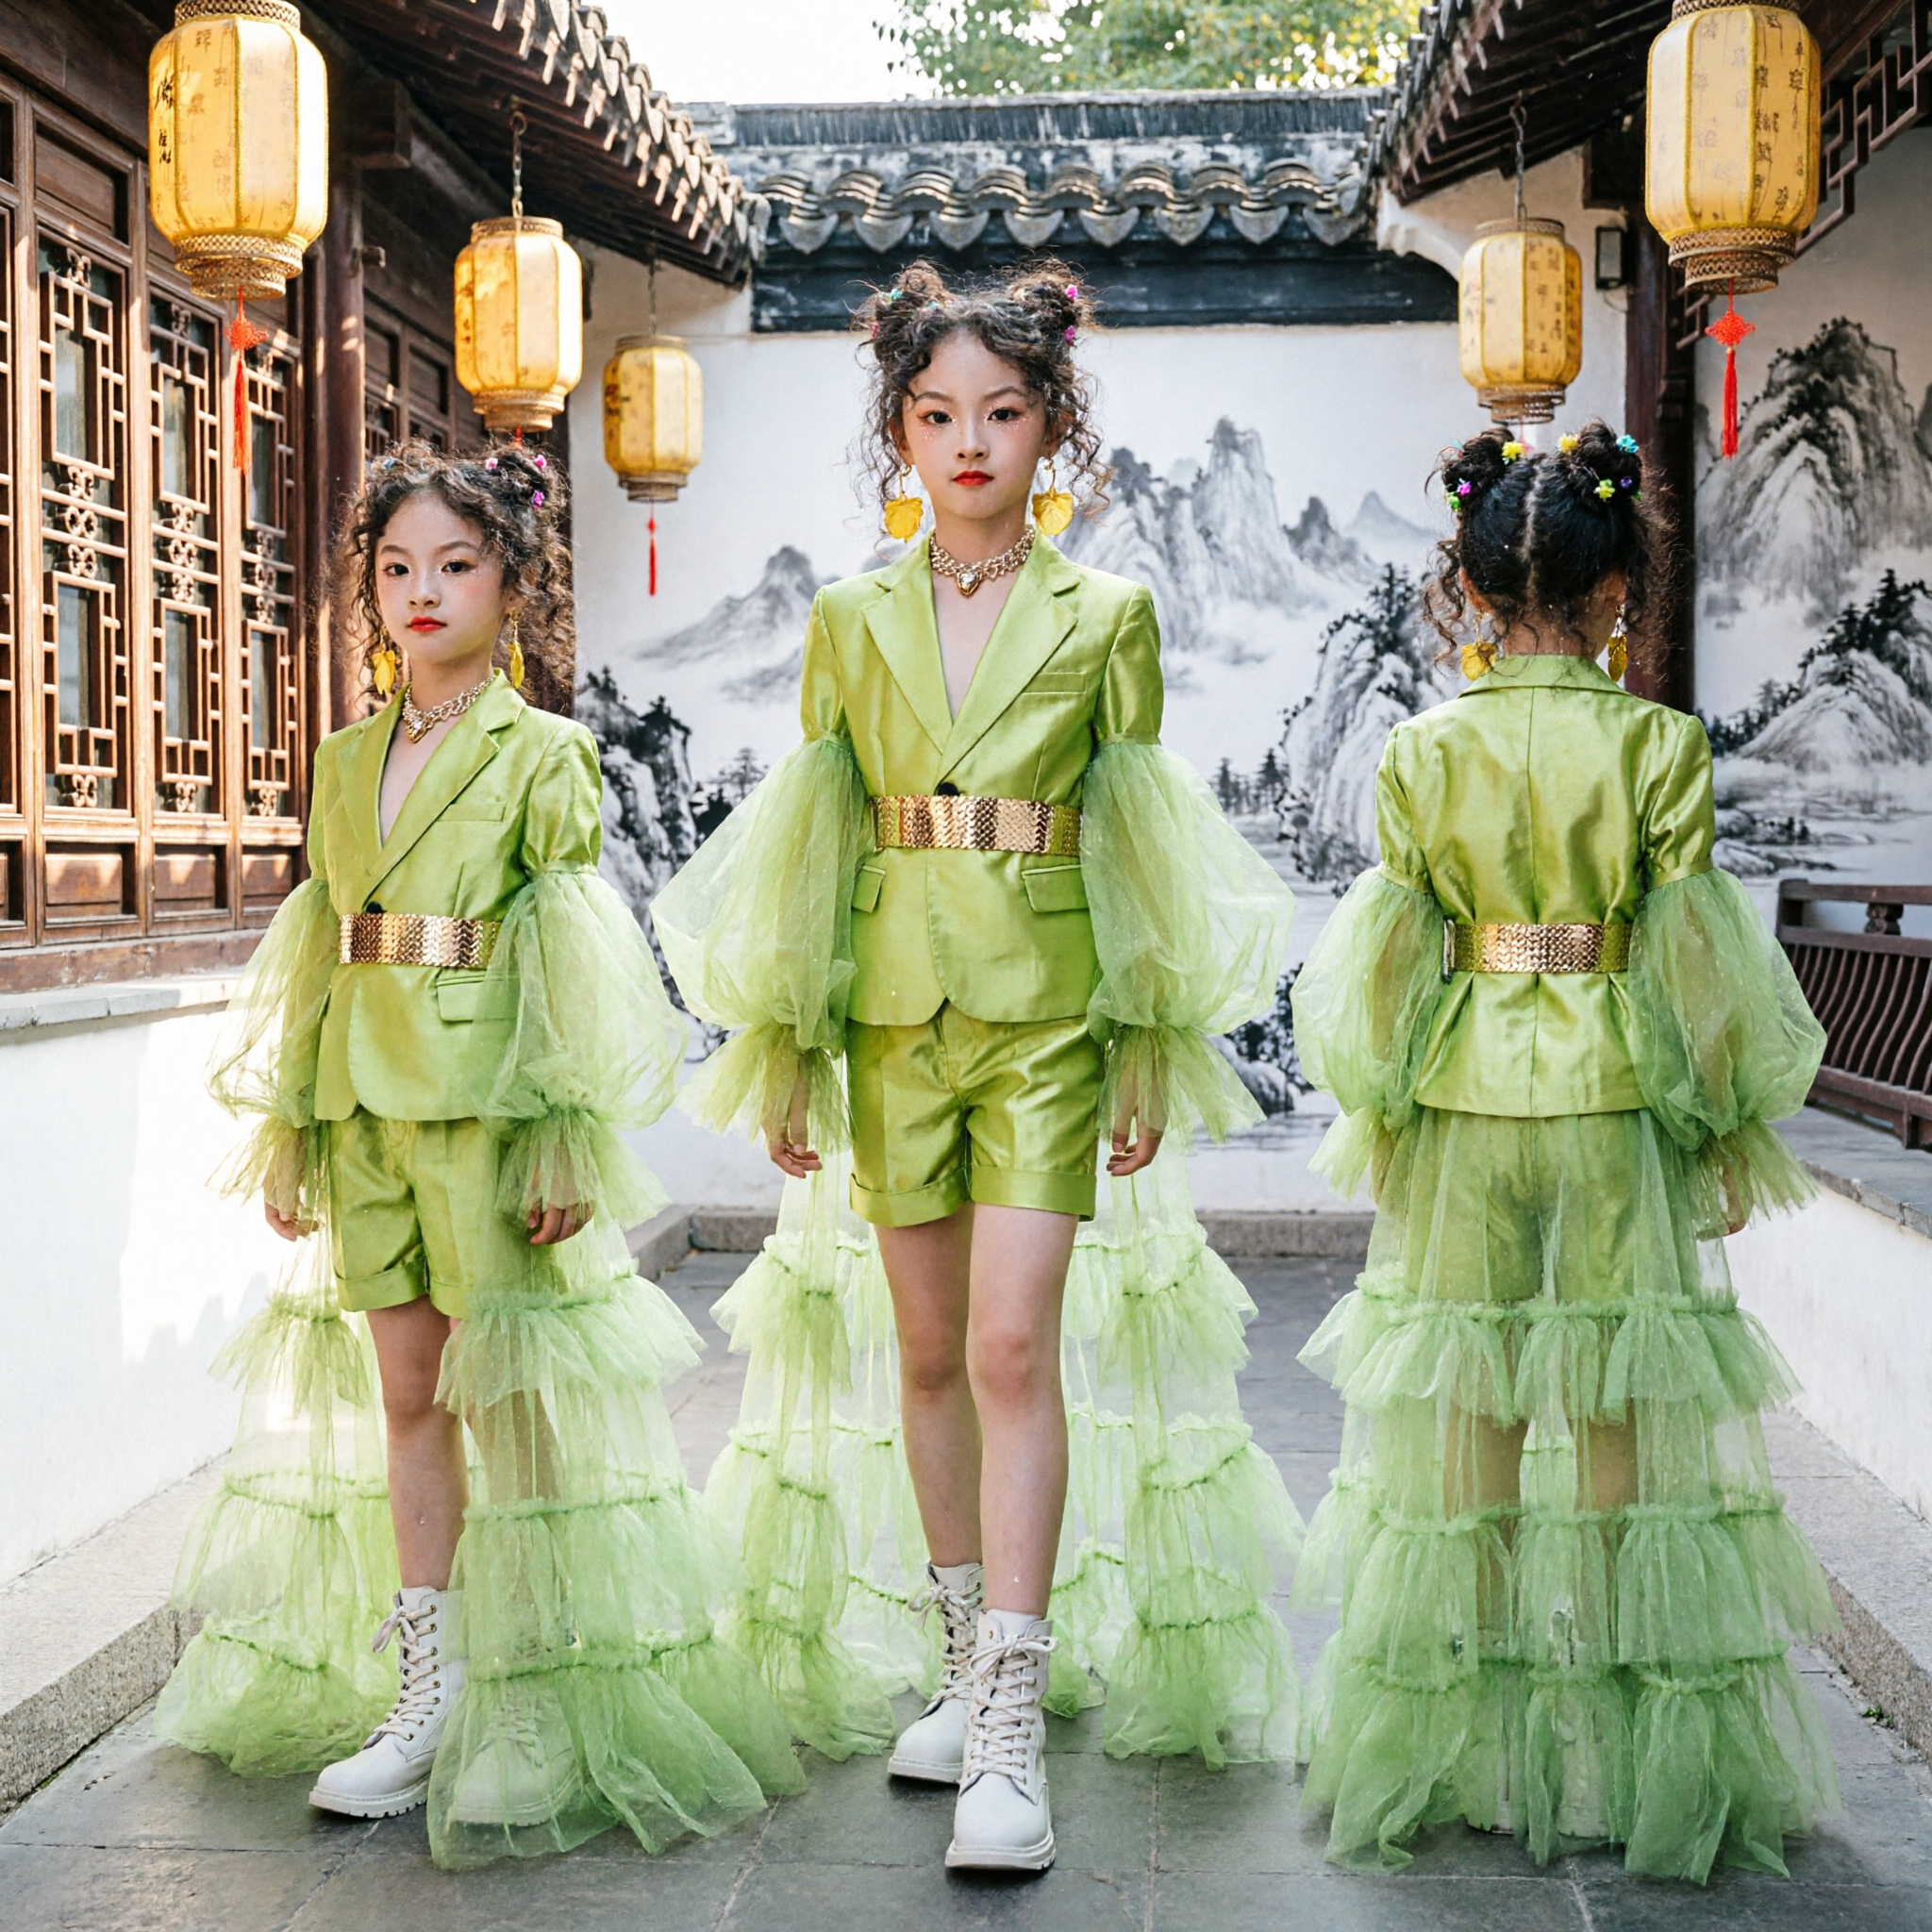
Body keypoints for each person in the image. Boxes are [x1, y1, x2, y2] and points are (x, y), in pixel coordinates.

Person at [653, 259, 1301, 1873]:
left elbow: (1142, 839)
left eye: (1001, 413)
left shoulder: (1109, 615)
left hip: (1050, 1018)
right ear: (899, 431)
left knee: (1014, 1347)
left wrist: (1152, 1035)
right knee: (927, 1352)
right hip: (891, 1016)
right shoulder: (849, 618)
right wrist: (790, 1043)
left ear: (1050, 426)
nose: (967, 441)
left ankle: (1012, 1712)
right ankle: (960, 1667)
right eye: (935, 414)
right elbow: (812, 842)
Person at [156, 442, 802, 1869]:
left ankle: (530, 1692)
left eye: (455, 564)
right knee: (405, 1397)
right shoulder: (339, 760)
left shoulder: (544, 757)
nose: (422, 590)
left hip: (490, 1112)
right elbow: (321, 943)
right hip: (367, 1108)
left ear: (516, 582)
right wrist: (292, 1125)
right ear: (366, 589)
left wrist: (566, 1131)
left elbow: (573, 959)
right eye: (396, 568)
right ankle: (427, 1691)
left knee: (509, 1397)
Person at [1289, 424, 1840, 1881]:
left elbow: (1389, 961)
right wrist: (1720, 1127)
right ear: (1618, 596)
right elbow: (1696, 965)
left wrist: (1383, 1104)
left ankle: (1460, 1738)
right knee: (1613, 1415)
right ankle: (1616, 1745)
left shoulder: (1418, 750)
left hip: (1467, 1100)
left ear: (1469, 592)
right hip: (1609, 1099)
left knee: (1462, 1402)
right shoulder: (1660, 747)